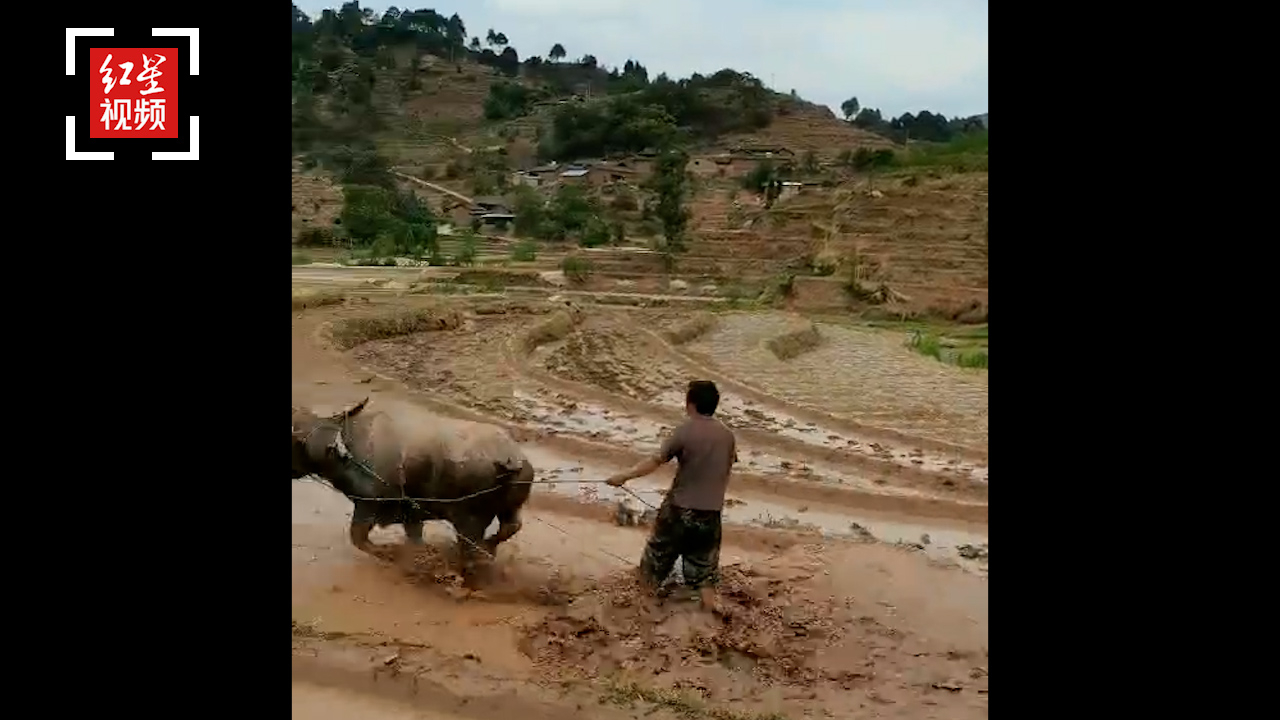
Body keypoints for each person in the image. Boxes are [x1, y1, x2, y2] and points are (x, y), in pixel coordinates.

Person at [606, 380, 736, 611]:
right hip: (711, 514)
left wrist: (623, 476)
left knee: (655, 563)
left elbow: (655, 461)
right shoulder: (728, 436)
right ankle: (711, 617)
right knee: (704, 573)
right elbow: (729, 460)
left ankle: (642, 610)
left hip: (679, 510)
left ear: (691, 404)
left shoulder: (685, 431)